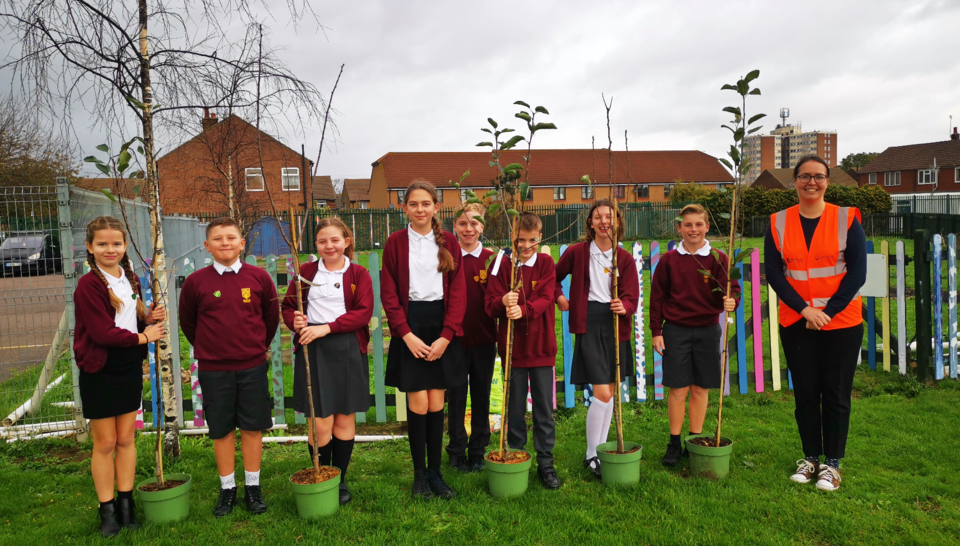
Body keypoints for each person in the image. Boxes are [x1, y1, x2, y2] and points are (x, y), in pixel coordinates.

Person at [766, 155, 866, 492]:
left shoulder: (846, 218)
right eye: (805, 176)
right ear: (793, 181)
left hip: (842, 321)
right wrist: (805, 310)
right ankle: (810, 458)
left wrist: (827, 311)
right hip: (797, 321)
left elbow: (858, 272)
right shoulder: (777, 221)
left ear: (827, 181)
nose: (812, 182)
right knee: (806, 392)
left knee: (836, 394)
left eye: (819, 177)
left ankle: (832, 464)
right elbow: (774, 273)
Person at [179, 217, 280, 516]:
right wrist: (211, 349)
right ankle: (227, 488)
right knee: (221, 429)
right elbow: (189, 323)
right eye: (218, 238)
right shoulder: (197, 282)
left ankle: (252, 486)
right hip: (213, 369)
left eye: (231, 237)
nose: (225, 243)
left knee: (252, 426)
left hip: (251, 365)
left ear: (242, 243)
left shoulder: (259, 278)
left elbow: (270, 319)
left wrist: (256, 346)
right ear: (207, 245)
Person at [74, 216, 165, 537]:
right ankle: (107, 510)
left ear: (125, 246)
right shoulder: (89, 285)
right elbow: (103, 333)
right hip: (99, 369)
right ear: (89, 247)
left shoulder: (131, 279)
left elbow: (131, 322)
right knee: (106, 442)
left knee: (126, 439)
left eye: (115, 243)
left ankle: (127, 505)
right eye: (102, 244)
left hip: (127, 367)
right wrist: (146, 337)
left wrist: (147, 320)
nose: (109, 249)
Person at [381, 181, 466, 500]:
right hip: (411, 325)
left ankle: (436, 473)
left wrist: (447, 336)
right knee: (418, 402)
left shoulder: (450, 244)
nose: (420, 209)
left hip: (440, 325)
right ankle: (419, 475)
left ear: (436, 207)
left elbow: (458, 293)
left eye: (426, 204)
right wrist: (406, 335)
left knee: (436, 402)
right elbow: (389, 295)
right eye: (413, 204)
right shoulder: (395, 242)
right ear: (405, 208)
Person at [283, 218, 373, 505]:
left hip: (346, 347)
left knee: (344, 417)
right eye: (323, 241)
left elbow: (363, 312)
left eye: (335, 240)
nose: (329, 246)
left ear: (346, 241)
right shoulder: (306, 271)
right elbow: (288, 305)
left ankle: (341, 478)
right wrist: (295, 321)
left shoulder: (358, 274)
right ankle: (321, 472)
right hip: (314, 348)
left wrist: (328, 327)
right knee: (320, 422)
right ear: (316, 245)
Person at [554, 199, 639, 479]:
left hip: (615, 325)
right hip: (589, 323)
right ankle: (591, 453)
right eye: (598, 217)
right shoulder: (578, 253)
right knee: (602, 393)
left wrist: (624, 306)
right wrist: (560, 297)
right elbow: (551, 278)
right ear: (590, 223)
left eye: (609, 217)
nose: (604, 221)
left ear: (617, 222)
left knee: (610, 392)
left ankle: (600, 449)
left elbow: (632, 296)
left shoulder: (623, 258)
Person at [649, 204, 738, 467]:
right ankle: (674, 443)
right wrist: (656, 331)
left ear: (707, 227)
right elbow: (657, 298)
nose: (693, 229)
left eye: (698, 224)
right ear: (679, 228)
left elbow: (730, 291)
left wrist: (731, 300)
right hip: (676, 330)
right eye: (687, 225)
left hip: (708, 330)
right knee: (678, 389)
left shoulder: (719, 259)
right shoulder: (669, 261)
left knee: (700, 388)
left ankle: (694, 440)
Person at [485, 212, 561, 490]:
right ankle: (516, 455)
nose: (525, 246)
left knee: (543, 408)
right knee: (514, 407)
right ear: (512, 239)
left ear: (540, 238)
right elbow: (490, 302)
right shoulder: (500, 265)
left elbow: (545, 297)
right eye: (520, 240)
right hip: (512, 350)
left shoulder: (545, 262)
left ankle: (545, 462)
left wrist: (524, 310)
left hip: (540, 348)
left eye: (531, 240)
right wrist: (503, 300)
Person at [445, 202, 497, 474]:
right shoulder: (445, 258)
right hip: (452, 340)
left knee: (481, 396)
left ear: (482, 227)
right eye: (463, 223)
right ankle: (456, 451)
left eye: (474, 223)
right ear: (454, 226)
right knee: (455, 397)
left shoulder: (492, 259)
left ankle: (478, 450)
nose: (468, 228)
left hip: (484, 339)